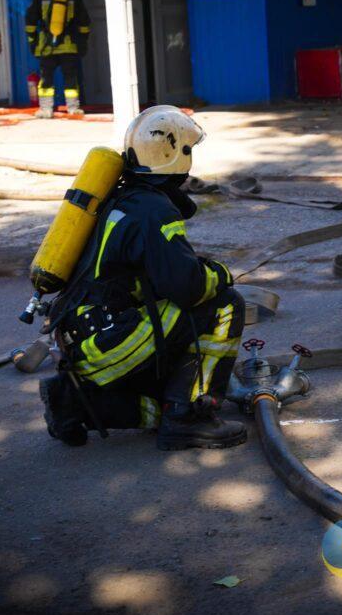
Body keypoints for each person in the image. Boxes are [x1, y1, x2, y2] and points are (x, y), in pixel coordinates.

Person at [39, 105, 247, 451]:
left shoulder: (122, 198)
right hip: (113, 340)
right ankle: (189, 418)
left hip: (89, 340)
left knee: (158, 405)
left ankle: (72, 403)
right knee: (225, 304)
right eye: (188, 150)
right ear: (174, 153)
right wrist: (220, 274)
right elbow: (187, 288)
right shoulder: (154, 212)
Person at [24, 0, 91, 118]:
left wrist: (33, 41)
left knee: (46, 78)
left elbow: (30, 21)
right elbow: (84, 22)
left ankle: (46, 110)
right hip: (69, 45)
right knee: (70, 78)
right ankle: (73, 108)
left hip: (47, 47)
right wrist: (82, 42)